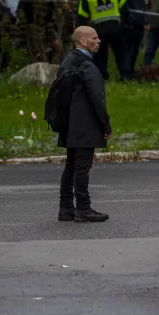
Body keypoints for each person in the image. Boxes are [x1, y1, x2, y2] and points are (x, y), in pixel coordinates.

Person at [56, 26, 112, 223]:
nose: (99, 41)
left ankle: (65, 208)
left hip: (69, 124)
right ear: (82, 41)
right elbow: (97, 98)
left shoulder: (67, 62)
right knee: (81, 167)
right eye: (94, 38)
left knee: (71, 166)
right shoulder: (87, 66)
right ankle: (83, 208)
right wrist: (106, 124)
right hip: (85, 124)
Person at [77, 0, 129, 81]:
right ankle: (125, 76)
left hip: (99, 31)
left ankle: (102, 78)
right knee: (121, 54)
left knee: (100, 56)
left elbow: (81, 17)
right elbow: (125, 8)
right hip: (116, 28)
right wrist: (124, 25)